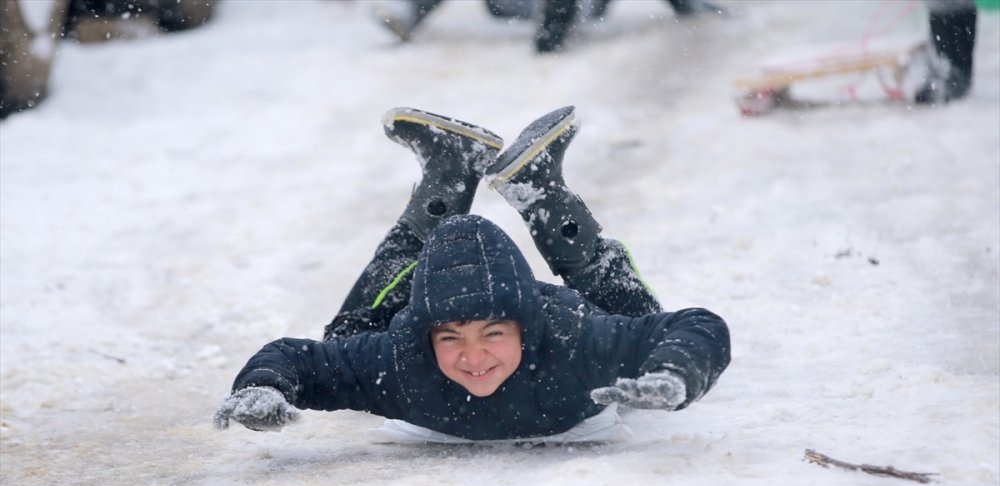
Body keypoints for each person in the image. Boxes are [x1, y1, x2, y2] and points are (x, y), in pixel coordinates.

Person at [214, 106, 730, 443]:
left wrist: (674, 374)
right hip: (422, 331)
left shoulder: (576, 342)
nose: (474, 355)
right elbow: (295, 359)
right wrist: (264, 386)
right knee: (351, 339)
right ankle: (491, 179)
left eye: (494, 333)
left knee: (636, 318)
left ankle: (496, 182)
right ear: (424, 335)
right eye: (451, 337)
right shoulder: (397, 361)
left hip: (571, 326)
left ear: (526, 327)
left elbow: (696, 327)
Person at [373, 0, 725, 53]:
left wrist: (551, 35)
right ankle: (407, 15)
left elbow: (548, 44)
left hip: (573, 8)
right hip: (510, 5)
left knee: (560, 18)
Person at [914, 0, 977, 104]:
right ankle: (950, 81)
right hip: (943, 9)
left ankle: (954, 82)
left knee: (954, 53)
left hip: (956, 10)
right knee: (943, 50)